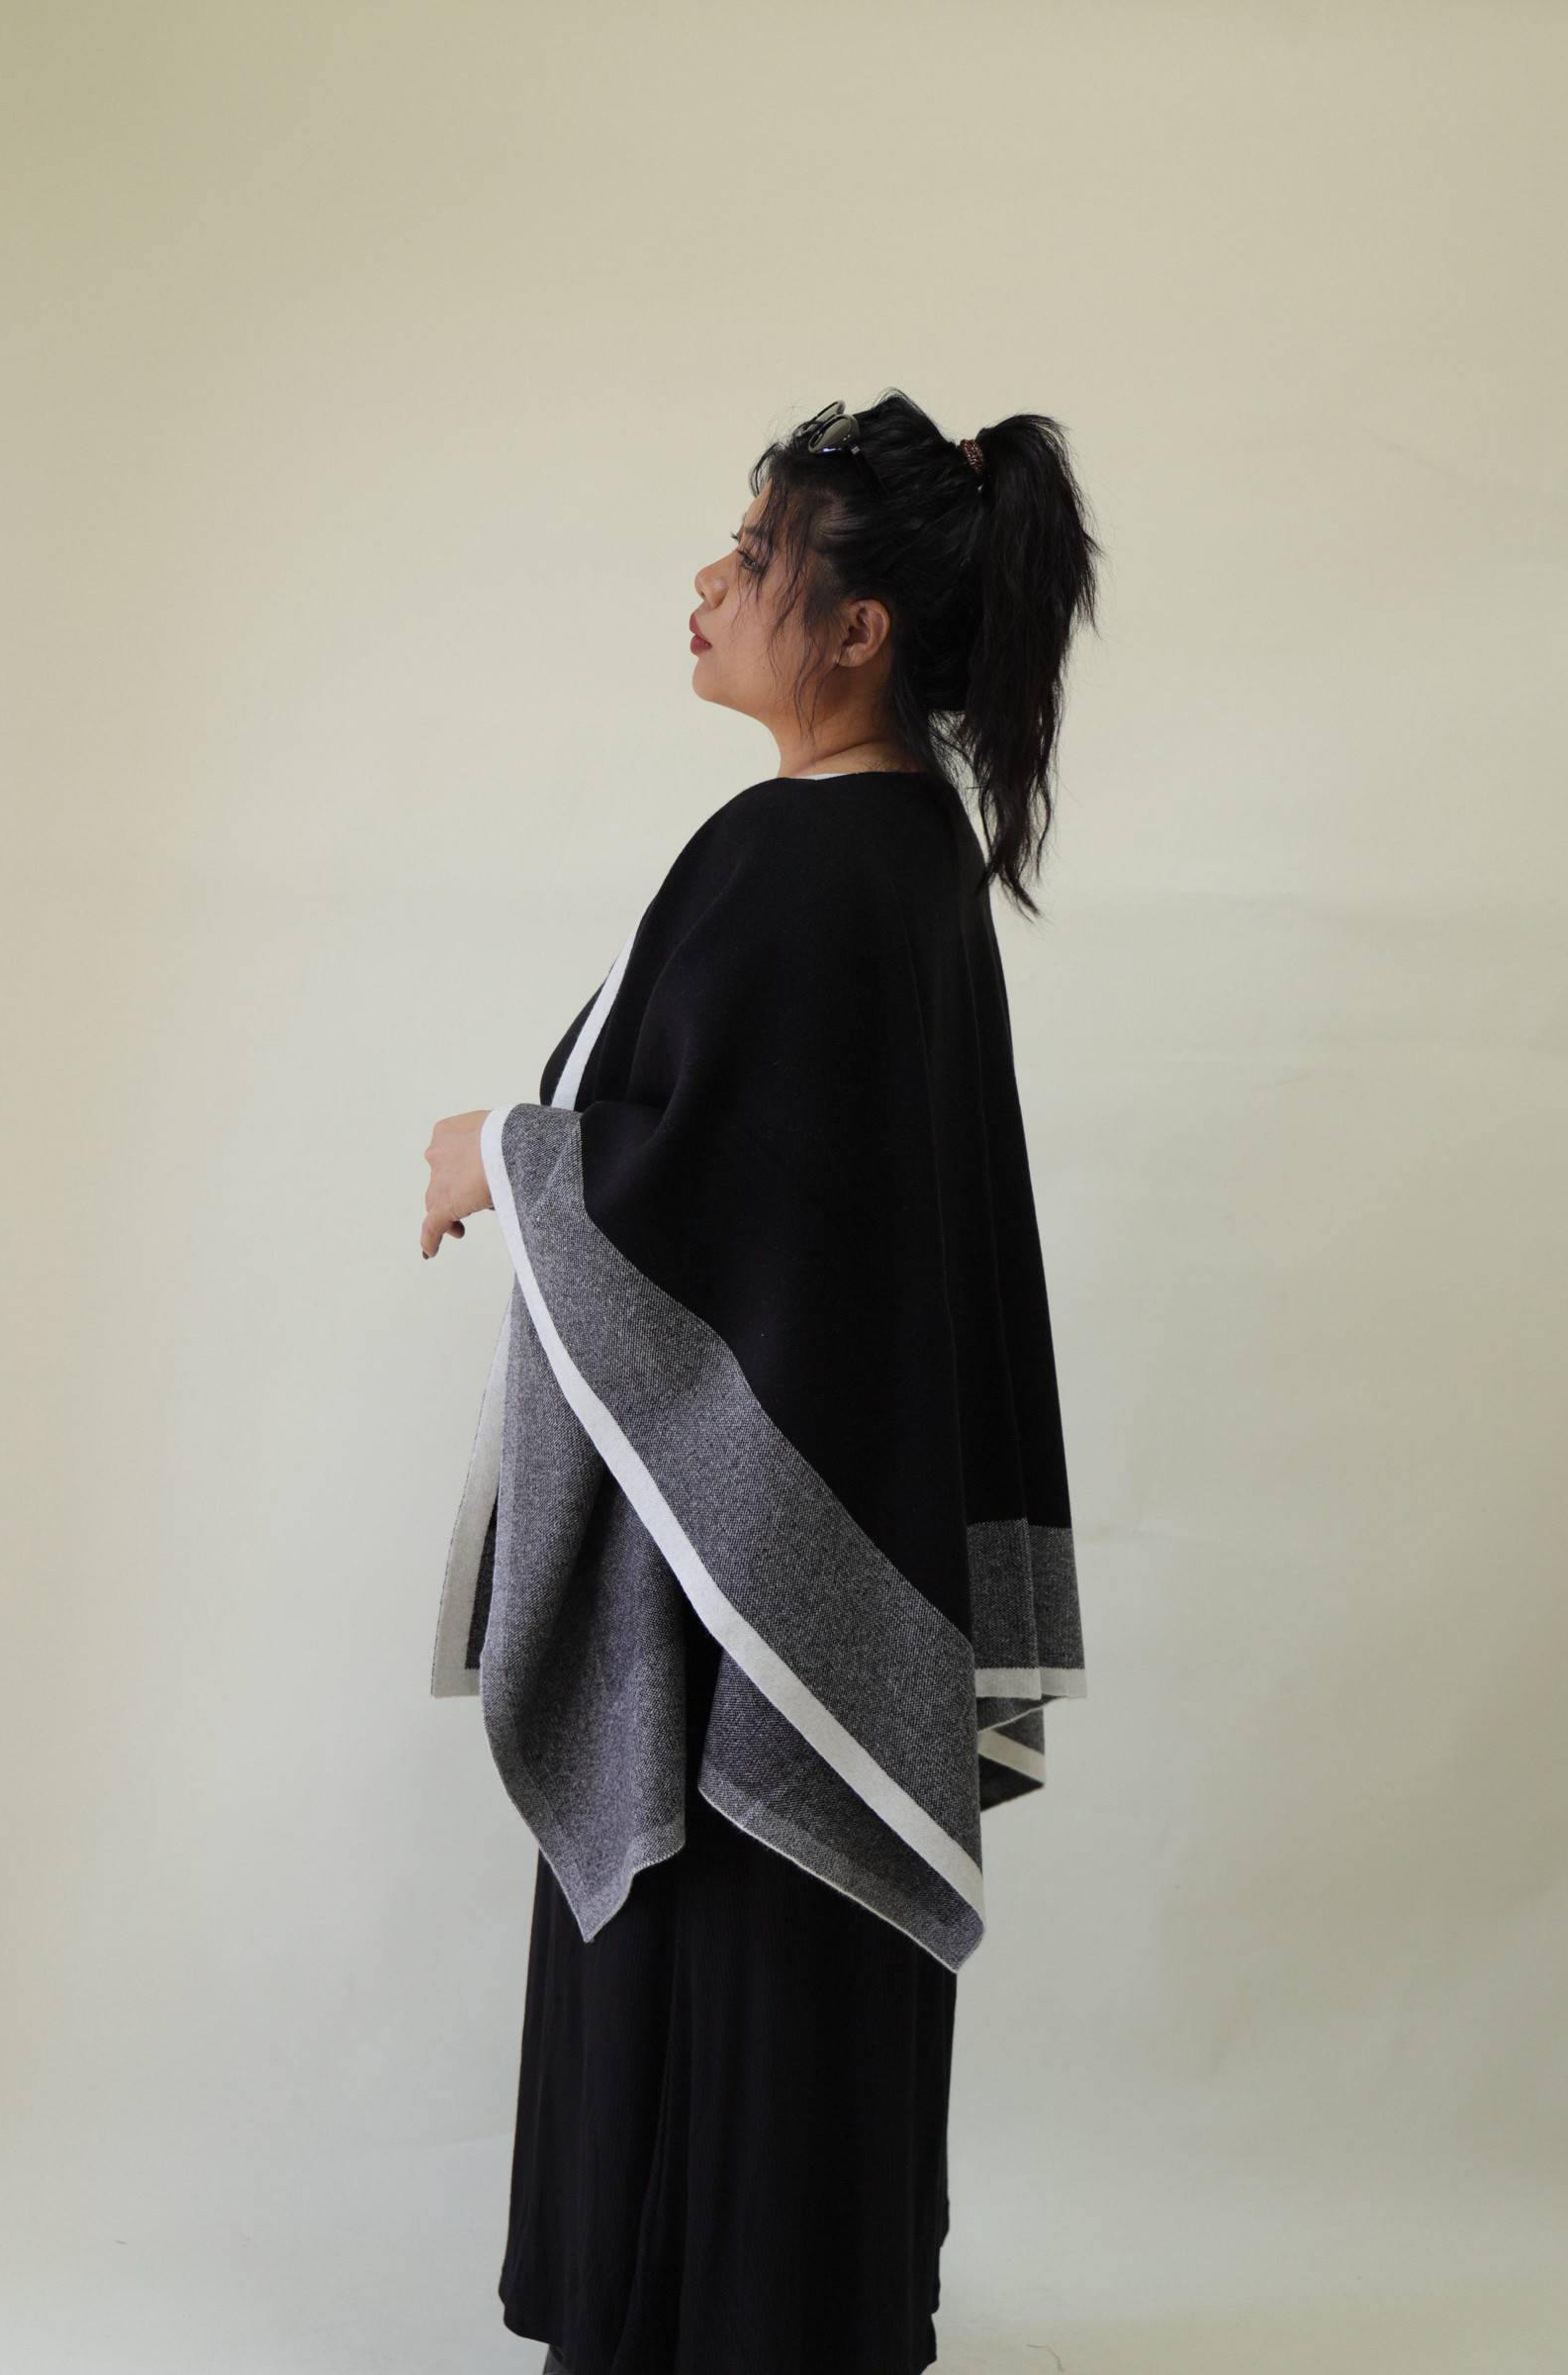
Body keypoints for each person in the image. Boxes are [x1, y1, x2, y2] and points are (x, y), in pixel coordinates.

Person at [419, 389, 1102, 2375]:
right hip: (795, 1573)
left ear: (857, 628)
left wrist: (495, 1153)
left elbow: (703, 1186)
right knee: (794, 1990)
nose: (708, 580)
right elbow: (792, 1205)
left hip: (731, 1627)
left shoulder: (799, 856)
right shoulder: (907, 857)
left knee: (719, 1949)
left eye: (752, 552)